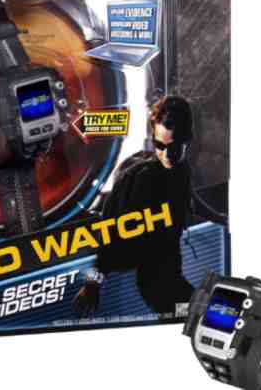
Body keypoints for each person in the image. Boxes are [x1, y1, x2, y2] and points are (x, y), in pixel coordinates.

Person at [72, 95, 194, 318]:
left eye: (175, 146)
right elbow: (108, 234)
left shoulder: (182, 170)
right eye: (160, 146)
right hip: (155, 284)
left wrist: (220, 217)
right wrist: (92, 284)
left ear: (188, 139)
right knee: (190, 314)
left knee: (199, 313)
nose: (167, 155)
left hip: (172, 268)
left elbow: (189, 198)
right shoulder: (141, 179)